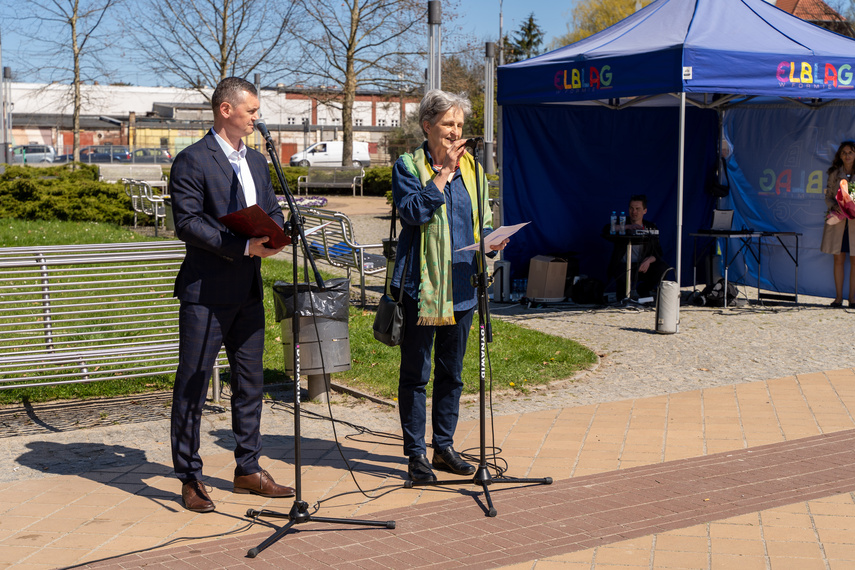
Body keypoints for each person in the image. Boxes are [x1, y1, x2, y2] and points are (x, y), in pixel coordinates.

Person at [169, 77, 294, 513]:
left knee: (250, 382)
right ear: (226, 110)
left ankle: (247, 469)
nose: (257, 118)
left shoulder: (257, 161)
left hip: (247, 291)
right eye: (252, 111)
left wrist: (278, 234)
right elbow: (187, 223)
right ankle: (189, 476)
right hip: (206, 293)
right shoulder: (192, 160)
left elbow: (272, 209)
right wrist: (241, 245)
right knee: (193, 384)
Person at [390, 89, 508, 483]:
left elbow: (483, 217)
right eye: (447, 125)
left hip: (463, 285)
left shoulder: (474, 169)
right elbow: (410, 213)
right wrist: (441, 177)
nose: (456, 132)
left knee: (452, 373)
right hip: (421, 288)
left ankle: (443, 447)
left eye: (459, 125)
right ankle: (415, 455)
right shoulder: (408, 165)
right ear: (428, 126)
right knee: (417, 374)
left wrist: (492, 239)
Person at [606, 194, 669, 298]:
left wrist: (648, 260)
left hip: (641, 265)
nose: (634, 212)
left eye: (638, 209)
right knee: (621, 280)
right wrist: (627, 227)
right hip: (624, 265)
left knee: (663, 268)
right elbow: (607, 229)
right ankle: (623, 296)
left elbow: (658, 252)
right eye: (631, 208)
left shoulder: (650, 227)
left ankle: (644, 289)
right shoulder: (622, 222)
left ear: (645, 211)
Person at [820, 141, 855, 307]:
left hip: (854, 223)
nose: (847, 156)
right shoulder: (834, 173)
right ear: (840, 156)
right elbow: (827, 195)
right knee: (838, 260)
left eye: (850, 152)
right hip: (838, 220)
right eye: (844, 153)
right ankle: (838, 297)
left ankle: (852, 298)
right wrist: (837, 207)